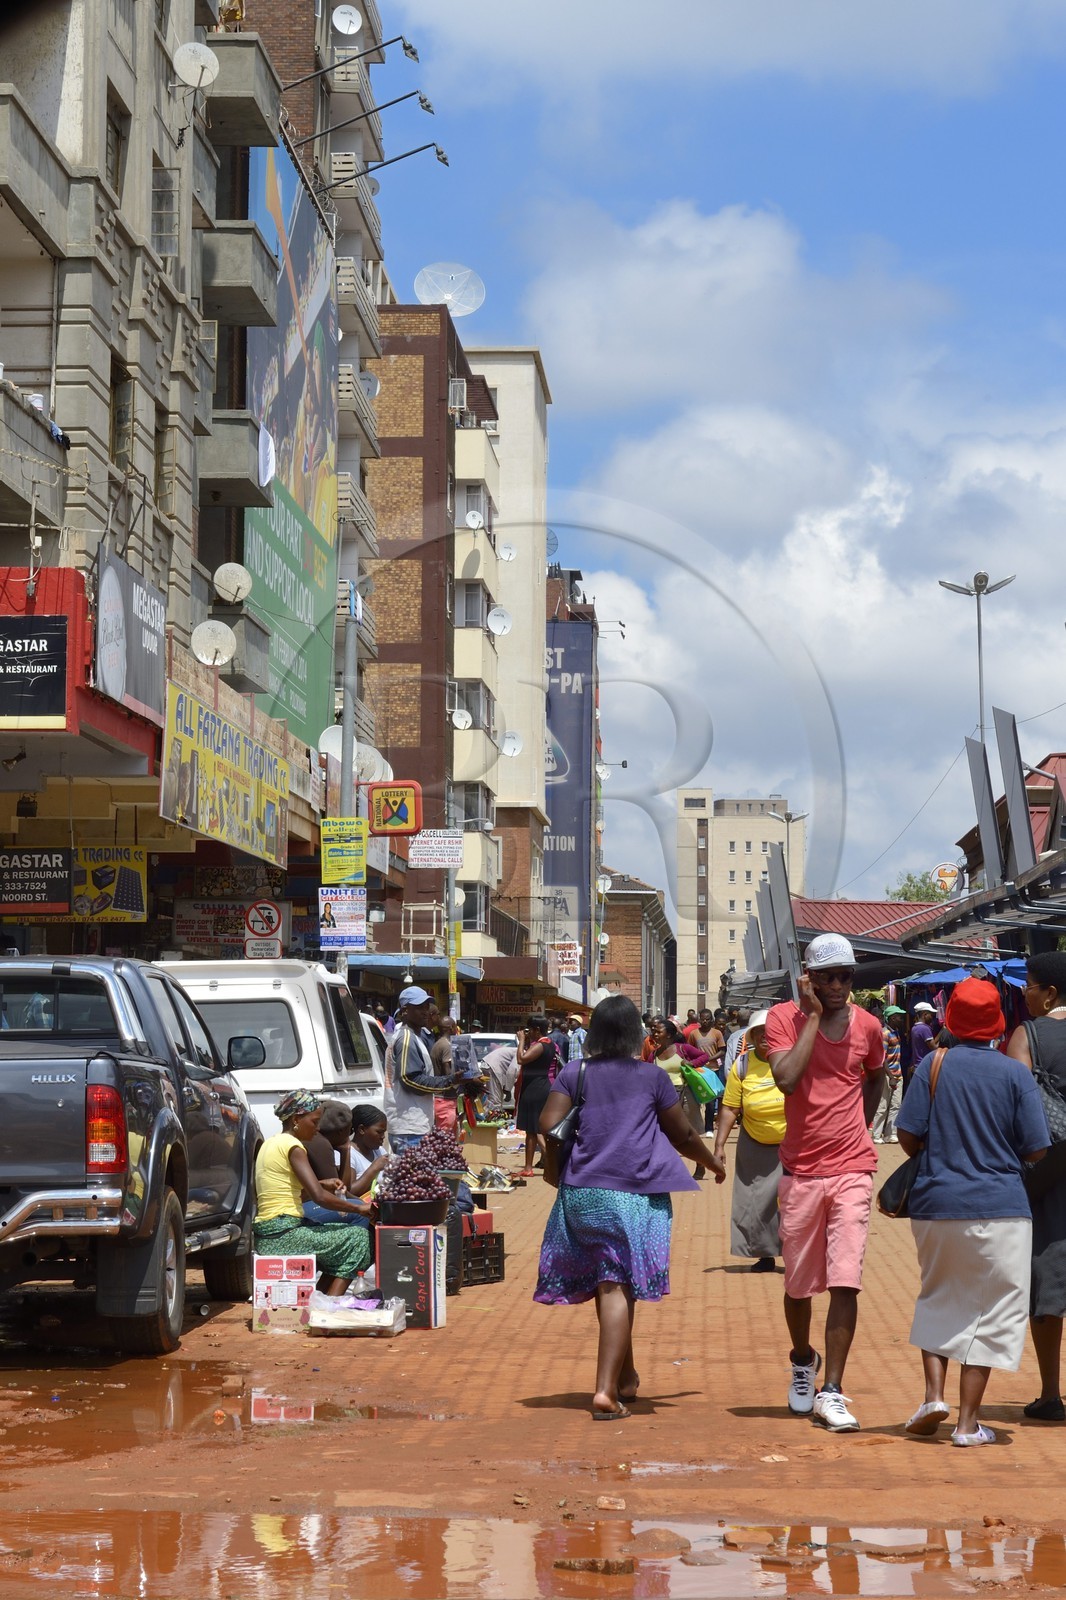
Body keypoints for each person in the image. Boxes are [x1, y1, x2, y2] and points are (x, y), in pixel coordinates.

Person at [533, 994, 726, 1418]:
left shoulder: (575, 1071)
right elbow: (683, 1135)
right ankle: (605, 1391)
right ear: (635, 1035)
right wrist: (713, 1163)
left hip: (581, 1193)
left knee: (608, 1283)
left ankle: (625, 1376)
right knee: (617, 1284)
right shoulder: (651, 1077)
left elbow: (547, 1125)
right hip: (632, 1195)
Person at [897, 978, 1049, 1445]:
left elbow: (907, 1135)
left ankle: (932, 1397)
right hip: (1002, 1206)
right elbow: (1037, 1148)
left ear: (951, 1021)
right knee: (995, 1310)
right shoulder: (1015, 1074)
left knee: (938, 1295)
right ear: (998, 1024)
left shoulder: (933, 1064)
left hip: (936, 1202)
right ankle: (967, 1424)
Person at [765, 933, 886, 1432]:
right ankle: (802, 1359)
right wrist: (813, 1017)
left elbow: (876, 1076)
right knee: (798, 1285)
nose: (838, 986)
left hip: (853, 1168)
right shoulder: (781, 1020)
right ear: (808, 978)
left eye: (845, 977)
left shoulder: (869, 1026)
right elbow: (787, 1079)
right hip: (800, 1172)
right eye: (828, 977)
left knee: (844, 1280)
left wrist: (861, 1126)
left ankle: (832, 1390)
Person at [1005, 951, 1066, 1423]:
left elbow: (1016, 1104)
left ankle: (1050, 1394)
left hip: (1049, 1175)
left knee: (1048, 1280)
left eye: (1028, 985)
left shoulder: (1027, 1035)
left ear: (1049, 993)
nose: (1023, 993)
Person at [253, 1089, 370, 1293]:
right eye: (314, 1122)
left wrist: (322, 1183)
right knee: (360, 1238)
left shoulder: (271, 1143)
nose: (317, 1129)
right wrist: (359, 1209)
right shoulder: (293, 1146)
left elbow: (289, 1192)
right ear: (297, 1119)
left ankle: (319, 1299)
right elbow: (319, 1198)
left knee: (342, 1236)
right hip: (284, 1235)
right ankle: (329, 1305)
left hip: (269, 1233)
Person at [714, 1009, 786, 1271]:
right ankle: (764, 1254)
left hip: (792, 1143)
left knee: (795, 1200)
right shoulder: (742, 1065)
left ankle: (798, 1252)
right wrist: (719, 1146)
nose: (765, 1037)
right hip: (754, 1141)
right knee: (755, 1200)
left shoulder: (792, 1059)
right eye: (759, 1032)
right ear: (752, 1036)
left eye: (771, 1032)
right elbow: (730, 1107)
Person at [383, 986, 465, 1151]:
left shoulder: (413, 1037)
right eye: (419, 1007)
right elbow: (410, 1079)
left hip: (412, 1127)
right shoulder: (406, 1038)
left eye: (427, 1007)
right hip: (409, 1128)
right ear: (405, 1011)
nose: (425, 1012)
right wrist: (449, 1081)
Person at [651, 1018, 712, 1179]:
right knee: (665, 1133)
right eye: (654, 1031)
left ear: (669, 1034)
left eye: (658, 1031)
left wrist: (691, 1063)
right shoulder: (654, 1055)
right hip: (663, 1098)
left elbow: (704, 1057)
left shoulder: (682, 1049)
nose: (654, 1034)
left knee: (690, 1131)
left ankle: (700, 1165)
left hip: (685, 1094)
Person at [515, 1015, 559, 1175]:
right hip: (541, 1086)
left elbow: (521, 1059)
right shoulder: (550, 1044)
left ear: (537, 1030)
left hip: (535, 1089)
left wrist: (521, 1041)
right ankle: (546, 1163)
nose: (528, 1033)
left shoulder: (542, 1044)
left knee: (532, 1130)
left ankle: (529, 1167)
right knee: (536, 1129)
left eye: (530, 1030)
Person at [871, 1006, 905, 1143]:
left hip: (898, 1074)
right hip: (887, 1075)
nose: (901, 1019)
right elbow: (882, 1057)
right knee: (883, 1105)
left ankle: (891, 1133)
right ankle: (876, 1135)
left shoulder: (896, 1033)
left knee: (896, 1105)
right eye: (899, 1017)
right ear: (892, 1018)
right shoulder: (885, 1034)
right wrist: (890, 1076)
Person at [348, 1103, 390, 1194]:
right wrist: (374, 1169)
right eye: (379, 1132)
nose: (383, 1137)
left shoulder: (379, 1151)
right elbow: (350, 1192)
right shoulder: (349, 1154)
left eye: (384, 1132)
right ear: (362, 1129)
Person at [723, 1009, 753, 1073]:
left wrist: (729, 1076)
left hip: (739, 1072)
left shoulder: (733, 1037)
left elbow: (729, 1061)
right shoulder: (755, 1034)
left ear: (737, 1021)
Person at [911, 1002, 937, 1070]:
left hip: (917, 1065)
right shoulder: (925, 1028)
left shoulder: (914, 1028)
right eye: (931, 1015)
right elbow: (934, 1048)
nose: (932, 1017)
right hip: (924, 1066)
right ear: (925, 1015)